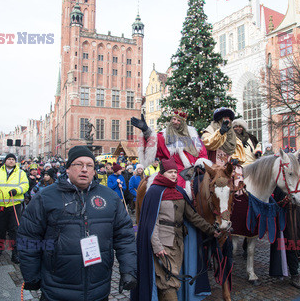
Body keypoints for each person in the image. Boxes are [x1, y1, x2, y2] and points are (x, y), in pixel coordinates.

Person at [18, 146, 137, 300]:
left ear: (94, 171)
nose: (84, 170)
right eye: (78, 164)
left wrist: (128, 270)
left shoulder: (109, 197)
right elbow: (28, 237)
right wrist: (31, 275)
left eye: (89, 166)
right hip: (57, 288)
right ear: (67, 169)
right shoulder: (45, 197)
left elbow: (125, 236)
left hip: (98, 287)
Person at [132, 157, 219, 301]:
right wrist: (158, 246)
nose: (173, 175)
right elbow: (151, 224)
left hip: (178, 243)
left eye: (175, 172)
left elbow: (193, 217)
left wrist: (211, 230)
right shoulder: (154, 192)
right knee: (168, 281)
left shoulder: (179, 191)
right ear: (162, 173)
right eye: (170, 172)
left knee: (170, 278)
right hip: (163, 244)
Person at [132, 110, 208, 196]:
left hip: (195, 171)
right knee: (177, 193)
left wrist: (200, 164)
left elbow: (203, 153)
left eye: (178, 120)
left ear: (183, 123)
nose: (175, 122)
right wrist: (146, 131)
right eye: (174, 119)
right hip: (174, 172)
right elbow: (153, 146)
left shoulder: (193, 136)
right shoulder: (163, 137)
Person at [0, 153, 29, 264]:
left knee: (14, 229)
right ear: (5, 161)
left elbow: (25, 185)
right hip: (0, 205)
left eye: (13, 159)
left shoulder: (21, 173)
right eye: (9, 159)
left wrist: (17, 190)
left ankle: (15, 253)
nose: (11, 161)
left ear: (15, 161)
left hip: (14, 204)